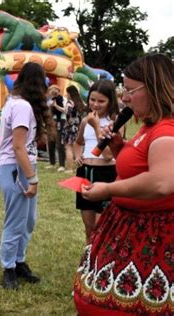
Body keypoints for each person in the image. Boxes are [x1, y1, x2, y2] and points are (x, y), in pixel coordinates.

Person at [74, 54, 174, 315]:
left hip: (155, 236)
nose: (125, 98)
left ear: (153, 87)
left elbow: (161, 182)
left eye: (130, 90)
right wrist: (118, 147)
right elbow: (139, 167)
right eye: (124, 90)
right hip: (129, 227)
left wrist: (108, 189)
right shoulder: (149, 127)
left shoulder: (166, 132)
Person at [0, 62, 54, 290]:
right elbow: (18, 147)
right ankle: (8, 268)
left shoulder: (18, 103)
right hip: (14, 168)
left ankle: (19, 261)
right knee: (16, 220)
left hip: (22, 167)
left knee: (28, 220)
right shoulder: (21, 107)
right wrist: (32, 179)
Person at [73, 80, 120, 242]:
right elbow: (78, 142)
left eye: (101, 101)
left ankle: (102, 262)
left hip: (106, 173)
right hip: (85, 172)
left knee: (102, 226)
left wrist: (97, 127)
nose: (95, 104)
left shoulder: (116, 122)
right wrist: (78, 155)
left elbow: (108, 155)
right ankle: (88, 263)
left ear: (110, 101)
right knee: (89, 226)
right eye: (93, 99)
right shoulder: (86, 120)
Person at [62, 85, 85, 173]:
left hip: (69, 128)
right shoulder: (80, 102)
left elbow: (67, 115)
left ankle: (70, 168)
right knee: (78, 148)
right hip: (78, 128)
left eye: (67, 93)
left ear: (70, 93)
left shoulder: (69, 103)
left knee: (68, 148)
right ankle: (80, 166)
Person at [46, 85, 67, 172]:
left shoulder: (63, 99)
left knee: (59, 143)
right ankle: (52, 162)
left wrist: (55, 106)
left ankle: (62, 164)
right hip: (51, 122)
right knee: (51, 142)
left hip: (60, 122)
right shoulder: (50, 101)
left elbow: (64, 110)